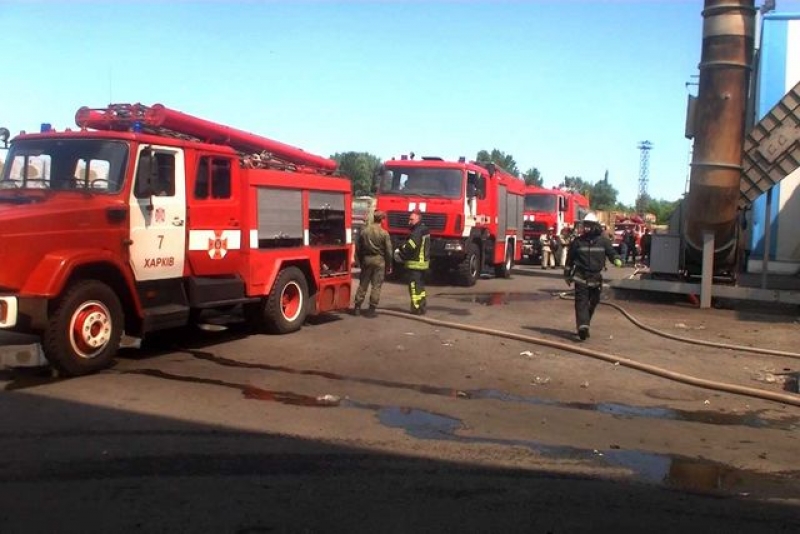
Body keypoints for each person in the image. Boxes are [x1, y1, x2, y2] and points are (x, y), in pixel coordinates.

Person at [564, 212, 622, 341]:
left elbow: (611, 253)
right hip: (580, 276)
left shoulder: (604, 242)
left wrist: (616, 259)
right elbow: (570, 259)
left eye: (589, 225)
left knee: (593, 302)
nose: (586, 228)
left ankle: (585, 324)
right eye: (585, 225)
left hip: (595, 278)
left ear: (595, 226)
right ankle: (582, 328)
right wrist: (567, 274)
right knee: (581, 302)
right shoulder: (577, 242)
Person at [353, 211, 393, 318]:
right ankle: (371, 310)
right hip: (379, 261)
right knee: (376, 286)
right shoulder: (384, 233)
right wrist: (389, 265)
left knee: (363, 284)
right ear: (382, 220)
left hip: (366, 260)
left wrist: (359, 262)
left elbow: (358, 249)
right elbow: (389, 251)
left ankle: (357, 307)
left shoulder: (364, 232)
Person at [396, 209, 430, 315]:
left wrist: (401, 249)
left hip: (415, 264)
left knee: (414, 288)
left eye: (411, 219)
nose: (409, 222)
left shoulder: (417, 231)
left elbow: (411, 246)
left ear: (418, 219)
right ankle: (422, 306)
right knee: (420, 287)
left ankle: (416, 309)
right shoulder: (424, 229)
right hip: (422, 263)